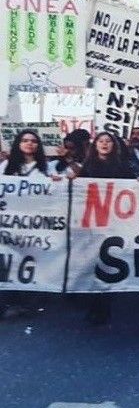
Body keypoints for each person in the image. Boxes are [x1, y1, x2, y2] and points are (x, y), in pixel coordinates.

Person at [77, 132, 136, 325]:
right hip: (92, 223)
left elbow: (133, 189)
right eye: (100, 141)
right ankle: (93, 305)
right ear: (95, 146)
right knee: (92, 263)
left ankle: (103, 306)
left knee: (108, 263)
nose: (104, 144)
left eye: (108, 141)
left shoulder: (122, 167)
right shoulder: (86, 168)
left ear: (114, 145)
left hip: (113, 222)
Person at [0, 130, 54, 320]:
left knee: (30, 262)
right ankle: (9, 302)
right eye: (25, 140)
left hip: (34, 224)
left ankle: (26, 302)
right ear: (18, 144)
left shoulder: (46, 168)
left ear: (38, 145)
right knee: (8, 262)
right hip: (10, 223)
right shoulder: (6, 166)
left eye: (33, 141)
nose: (29, 144)